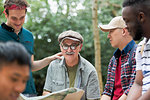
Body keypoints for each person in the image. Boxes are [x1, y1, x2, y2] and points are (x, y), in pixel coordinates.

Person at [0, 0, 62, 96]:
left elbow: (30, 65)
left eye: (22, 17)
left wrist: (50, 59)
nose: (18, 22)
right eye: (14, 18)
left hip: (30, 92)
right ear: (6, 14)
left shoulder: (28, 35)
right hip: (7, 93)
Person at [43, 30, 100, 100]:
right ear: (61, 47)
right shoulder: (53, 66)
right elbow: (46, 92)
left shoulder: (90, 71)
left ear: (80, 47)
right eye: (65, 46)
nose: (69, 50)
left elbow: (93, 99)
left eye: (73, 46)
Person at [99, 16, 137, 100]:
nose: (108, 36)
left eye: (111, 31)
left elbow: (133, 88)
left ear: (124, 31)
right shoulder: (113, 60)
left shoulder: (137, 54)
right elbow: (107, 91)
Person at [122, 0, 150, 100]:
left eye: (127, 21)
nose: (125, 27)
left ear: (141, 17)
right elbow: (138, 83)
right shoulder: (141, 47)